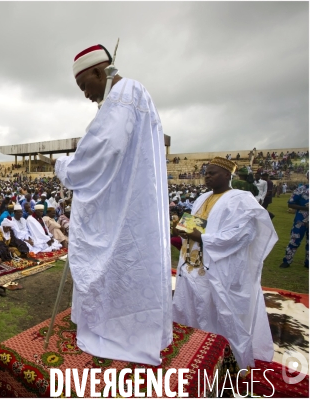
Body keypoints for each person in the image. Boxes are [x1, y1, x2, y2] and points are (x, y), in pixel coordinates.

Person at [52, 44, 172, 365]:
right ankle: (126, 327)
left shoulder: (123, 94)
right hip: (130, 199)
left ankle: (116, 331)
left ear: (97, 72)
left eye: (84, 86)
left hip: (124, 209)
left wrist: (66, 166)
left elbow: (104, 149)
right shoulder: (133, 95)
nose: (86, 94)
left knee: (116, 263)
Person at [173, 157, 277, 369]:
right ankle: (195, 351)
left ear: (228, 175)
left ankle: (228, 360)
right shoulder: (202, 197)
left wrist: (201, 237)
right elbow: (195, 225)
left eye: (213, 173)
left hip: (222, 267)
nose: (208, 176)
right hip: (194, 265)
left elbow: (243, 234)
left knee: (221, 312)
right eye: (206, 173)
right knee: (193, 308)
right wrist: (181, 229)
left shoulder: (241, 199)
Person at [279, 171, 308, 269]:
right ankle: (287, 261)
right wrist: (306, 208)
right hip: (301, 220)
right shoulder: (301, 189)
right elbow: (290, 204)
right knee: (294, 240)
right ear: (307, 176)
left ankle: (308, 263)